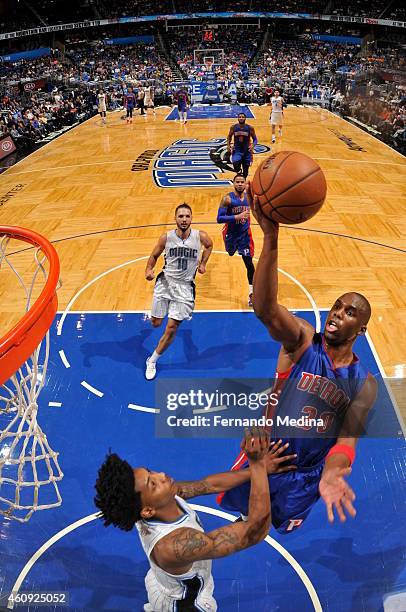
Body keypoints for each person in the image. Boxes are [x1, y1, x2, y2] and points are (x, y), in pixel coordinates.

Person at [218, 186, 378, 532]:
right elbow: (265, 309)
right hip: (267, 454)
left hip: (309, 474)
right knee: (248, 522)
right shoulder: (302, 340)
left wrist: (336, 468)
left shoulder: (364, 384)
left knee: (280, 524)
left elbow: (347, 438)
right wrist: (271, 238)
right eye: (336, 306)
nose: (337, 314)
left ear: (361, 330)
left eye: (349, 313)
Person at [94, 431, 297, 612]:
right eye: (153, 483)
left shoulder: (162, 499)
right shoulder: (175, 545)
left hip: (163, 584)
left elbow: (208, 485)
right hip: (185, 605)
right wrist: (257, 465)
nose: (161, 475)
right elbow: (255, 533)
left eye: (151, 471)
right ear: (147, 510)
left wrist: (257, 469)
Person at [144, 204, 213, 380]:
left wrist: (203, 263)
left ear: (191, 218)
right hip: (165, 283)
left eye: (187, 216)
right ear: (175, 218)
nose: (184, 219)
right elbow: (154, 256)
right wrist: (148, 270)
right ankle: (158, 312)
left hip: (185, 287)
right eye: (181, 216)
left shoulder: (200, 236)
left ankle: (152, 360)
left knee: (172, 328)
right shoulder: (166, 238)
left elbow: (209, 245)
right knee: (156, 323)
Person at [217, 174, 255, 307]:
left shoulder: (249, 199)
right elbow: (219, 218)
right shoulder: (227, 199)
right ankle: (230, 247)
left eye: (242, 182)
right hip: (231, 234)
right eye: (237, 182)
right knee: (231, 252)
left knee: (249, 264)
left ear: (245, 184)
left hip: (245, 235)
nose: (240, 184)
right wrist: (237, 216)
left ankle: (252, 294)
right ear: (233, 183)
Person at [227, 112, 257, 179]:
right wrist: (228, 145)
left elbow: (255, 139)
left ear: (245, 118)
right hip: (237, 150)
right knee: (235, 164)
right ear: (238, 118)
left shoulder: (250, 128)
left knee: (245, 172)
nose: (241, 118)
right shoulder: (233, 127)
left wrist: (253, 145)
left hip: (247, 151)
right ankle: (239, 172)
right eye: (240, 117)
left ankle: (243, 185)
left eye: (242, 117)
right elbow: (229, 136)